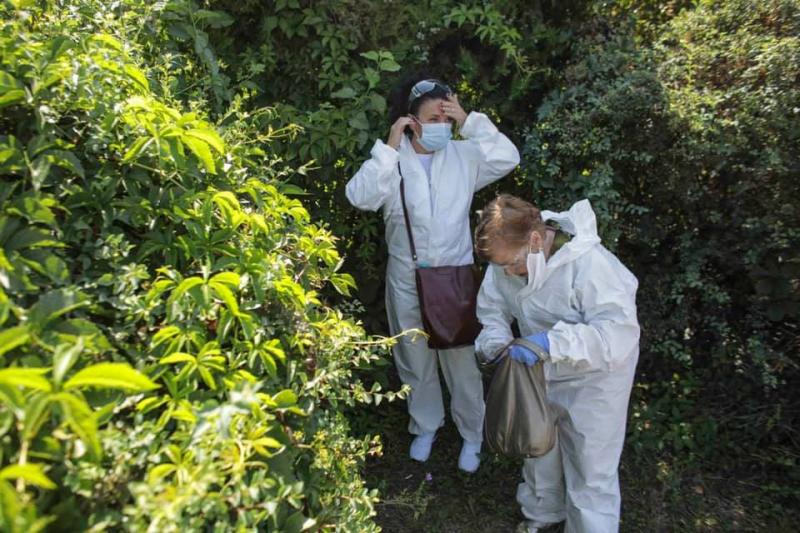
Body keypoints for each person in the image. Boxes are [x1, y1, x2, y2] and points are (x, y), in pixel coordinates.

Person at [345, 76, 520, 472]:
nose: (442, 123)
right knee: (414, 356)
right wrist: (389, 147)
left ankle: (472, 435)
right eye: (433, 116)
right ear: (412, 121)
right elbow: (360, 197)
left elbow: (508, 156)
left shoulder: (464, 155)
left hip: (454, 277)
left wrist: (470, 120)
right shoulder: (394, 162)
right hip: (407, 277)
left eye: (447, 115)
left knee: (460, 360)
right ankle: (425, 425)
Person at [473, 194, 640, 531]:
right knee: (539, 450)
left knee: (590, 469)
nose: (508, 272)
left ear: (536, 239)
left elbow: (618, 335)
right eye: (501, 266)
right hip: (539, 371)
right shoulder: (506, 259)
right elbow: (491, 312)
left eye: (514, 264)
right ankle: (541, 518)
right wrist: (497, 345)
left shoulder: (590, 264)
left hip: (596, 379)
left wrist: (552, 341)